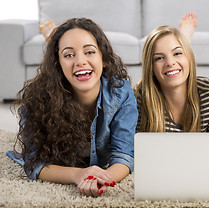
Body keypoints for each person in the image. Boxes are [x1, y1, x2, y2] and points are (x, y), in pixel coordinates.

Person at [7, 18, 138, 197]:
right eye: (69, 55)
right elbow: (34, 163)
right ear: (58, 66)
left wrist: (100, 179)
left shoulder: (121, 92)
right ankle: (55, 41)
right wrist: (78, 174)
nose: (80, 61)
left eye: (89, 52)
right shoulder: (37, 98)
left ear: (104, 59)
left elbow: (124, 156)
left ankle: (56, 39)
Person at [135, 12, 209, 132]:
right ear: (150, 67)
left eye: (177, 53)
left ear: (189, 57)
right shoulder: (137, 99)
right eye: (159, 58)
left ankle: (183, 40)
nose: (170, 62)